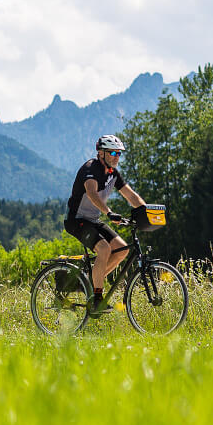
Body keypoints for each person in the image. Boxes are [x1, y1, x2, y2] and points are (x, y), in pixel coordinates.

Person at [65, 134, 148, 315]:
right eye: (112, 152)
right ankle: (96, 298)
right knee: (104, 249)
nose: (117, 156)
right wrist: (109, 212)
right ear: (101, 153)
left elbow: (131, 196)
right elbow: (92, 193)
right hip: (76, 220)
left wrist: (146, 213)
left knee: (122, 249)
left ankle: (90, 281)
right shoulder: (90, 169)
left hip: (93, 220)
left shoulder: (113, 174)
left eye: (119, 153)